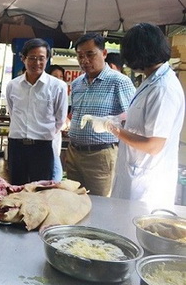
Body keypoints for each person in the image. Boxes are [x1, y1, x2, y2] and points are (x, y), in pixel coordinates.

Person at [109, 23, 184, 207]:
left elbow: (153, 145)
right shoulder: (151, 80)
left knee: (132, 229)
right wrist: (120, 120)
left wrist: (114, 129)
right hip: (134, 173)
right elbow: (142, 121)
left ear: (138, 53)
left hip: (148, 184)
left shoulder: (163, 88)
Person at [66, 33, 135, 196]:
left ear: (104, 53)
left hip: (101, 155)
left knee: (101, 204)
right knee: (74, 201)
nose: (84, 60)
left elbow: (133, 115)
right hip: (74, 152)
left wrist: (111, 120)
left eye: (90, 54)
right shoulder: (77, 83)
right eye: (80, 56)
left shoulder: (119, 81)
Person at [6, 39, 68, 185]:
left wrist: (43, 133)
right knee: (16, 189)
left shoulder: (57, 86)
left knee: (41, 192)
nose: (37, 63)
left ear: (47, 59)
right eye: (32, 58)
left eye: (41, 58)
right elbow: (12, 112)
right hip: (17, 146)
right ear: (23, 59)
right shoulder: (13, 85)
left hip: (43, 147)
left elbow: (60, 119)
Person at [46, 64, 68, 182]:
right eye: (55, 76)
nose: (59, 79)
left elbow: (62, 119)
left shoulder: (62, 91)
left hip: (55, 141)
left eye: (61, 77)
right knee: (55, 175)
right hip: (45, 142)